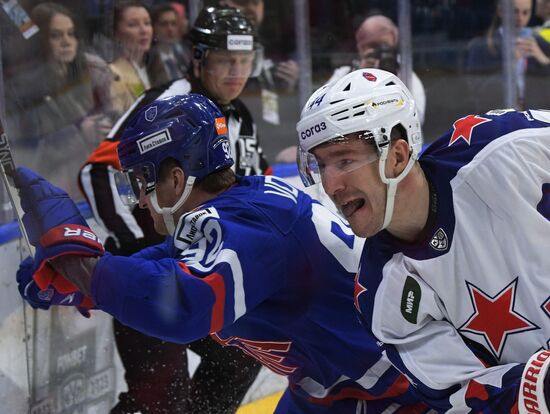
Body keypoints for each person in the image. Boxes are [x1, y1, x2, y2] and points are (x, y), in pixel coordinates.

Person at [15, 93, 429, 413]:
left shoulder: (248, 225)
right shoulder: (239, 212)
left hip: (396, 394)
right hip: (337, 388)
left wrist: (75, 259)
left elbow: (180, 306)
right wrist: (77, 282)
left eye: (142, 181)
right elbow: (163, 262)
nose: (139, 200)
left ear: (176, 179)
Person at [297, 67, 550, 412]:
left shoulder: (504, 149)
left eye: (344, 160)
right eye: (321, 165)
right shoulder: (382, 295)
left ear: (397, 156)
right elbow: (463, 398)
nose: (330, 185)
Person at [78, 6, 270, 412]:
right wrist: (142, 254)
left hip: (200, 275)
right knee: (159, 401)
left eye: (244, 61)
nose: (237, 71)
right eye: (224, 60)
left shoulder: (241, 117)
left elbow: (252, 188)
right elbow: (98, 172)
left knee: (242, 353)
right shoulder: (168, 105)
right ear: (198, 58)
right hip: (156, 279)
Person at [7, 2, 113, 198]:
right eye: (56, 35)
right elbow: (27, 155)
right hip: (53, 193)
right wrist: (79, 133)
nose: (67, 42)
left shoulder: (85, 77)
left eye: (70, 34)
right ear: (41, 41)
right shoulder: (28, 90)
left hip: (88, 185)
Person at [328, 14, 426, 125]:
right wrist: (358, 75)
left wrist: (389, 84)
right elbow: (326, 112)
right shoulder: (344, 75)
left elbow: (417, 119)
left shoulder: (405, 76)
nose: (380, 52)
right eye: (373, 46)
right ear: (361, 48)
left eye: (386, 47)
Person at [465, 0, 550, 111]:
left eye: (526, 12)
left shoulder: (541, 45)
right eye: (515, 12)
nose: (520, 18)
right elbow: (479, 95)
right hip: (496, 119)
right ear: (501, 11)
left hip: (532, 121)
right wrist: (509, 65)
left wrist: (545, 61)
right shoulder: (481, 48)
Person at [109, 0, 169, 117]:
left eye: (147, 23)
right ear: (117, 33)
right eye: (133, 24)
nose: (144, 30)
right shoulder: (113, 73)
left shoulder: (155, 65)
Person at [150, 3, 192, 82]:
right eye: (164, 24)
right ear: (154, 27)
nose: (170, 29)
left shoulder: (185, 51)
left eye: (173, 24)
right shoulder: (149, 58)